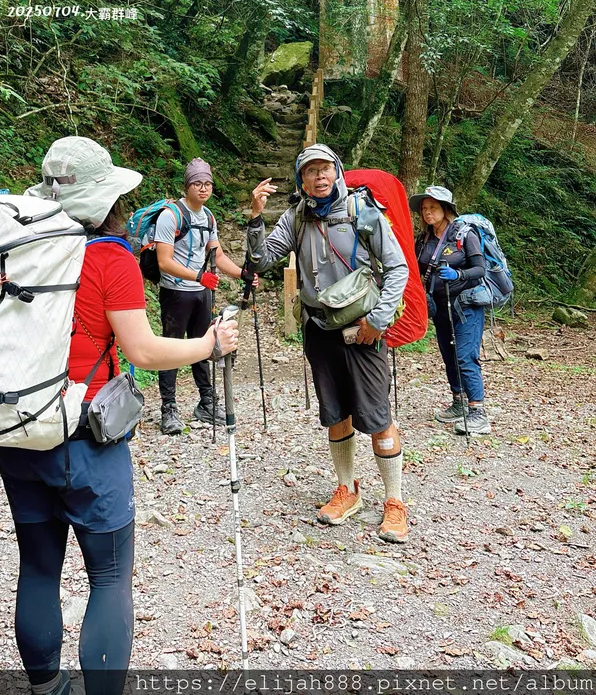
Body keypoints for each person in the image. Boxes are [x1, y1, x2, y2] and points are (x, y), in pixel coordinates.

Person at [0, 137, 238, 695]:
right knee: (107, 576)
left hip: (20, 426)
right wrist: (210, 345)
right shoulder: (110, 258)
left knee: (36, 568)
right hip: (86, 435)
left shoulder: (17, 247)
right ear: (108, 202)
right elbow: (145, 352)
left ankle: (46, 688)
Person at [248, 144, 410, 543]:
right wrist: (255, 216)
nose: (319, 177)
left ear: (337, 172)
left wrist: (378, 320)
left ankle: (395, 501)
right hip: (319, 327)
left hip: (362, 328)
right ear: (301, 179)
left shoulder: (361, 211)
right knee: (335, 411)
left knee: (376, 413)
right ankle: (347, 490)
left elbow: (398, 266)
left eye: (325, 170)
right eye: (310, 172)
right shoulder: (296, 217)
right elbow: (263, 260)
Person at [154, 157, 256, 436]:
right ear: (187, 186)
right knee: (171, 350)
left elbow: (217, 255)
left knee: (205, 345)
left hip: (202, 293)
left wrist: (242, 274)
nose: (203, 188)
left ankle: (207, 403)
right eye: (197, 183)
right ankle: (169, 408)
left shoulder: (208, 216)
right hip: (176, 292)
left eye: (207, 183)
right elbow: (164, 261)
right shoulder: (170, 215)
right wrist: (198, 276)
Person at [410, 185, 490, 435]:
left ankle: (478, 412)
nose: (427, 212)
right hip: (439, 306)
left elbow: (480, 269)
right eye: (424, 208)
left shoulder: (465, 234)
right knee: (449, 355)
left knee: (465, 356)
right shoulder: (424, 238)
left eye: (433, 207)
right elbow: (415, 267)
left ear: (446, 210)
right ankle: (458, 403)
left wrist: (458, 273)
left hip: (466, 305)